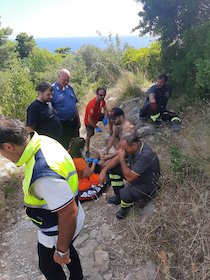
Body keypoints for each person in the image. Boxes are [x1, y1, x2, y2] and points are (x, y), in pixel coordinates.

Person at [0, 117, 84, 280]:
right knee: (66, 252)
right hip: (67, 212)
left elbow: (68, 213)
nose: (4, 157)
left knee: (48, 265)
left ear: (9, 147)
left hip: (57, 226)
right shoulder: (43, 141)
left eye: (1, 153)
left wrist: (61, 251)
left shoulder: (43, 173)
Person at [99, 131, 160, 220]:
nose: (123, 151)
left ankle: (125, 208)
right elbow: (117, 157)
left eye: (125, 149)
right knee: (112, 168)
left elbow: (129, 178)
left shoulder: (145, 155)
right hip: (138, 177)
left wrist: (122, 160)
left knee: (125, 192)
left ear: (134, 144)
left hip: (148, 185)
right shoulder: (133, 147)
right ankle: (118, 197)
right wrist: (104, 170)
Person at [52, 69, 81, 149]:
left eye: (68, 80)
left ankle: (76, 159)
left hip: (73, 122)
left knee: (76, 143)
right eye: (64, 80)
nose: (66, 82)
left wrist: (78, 120)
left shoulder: (70, 88)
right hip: (62, 124)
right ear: (58, 77)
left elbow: (75, 105)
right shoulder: (52, 90)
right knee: (64, 145)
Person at [84, 87, 108, 157]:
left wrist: (105, 117)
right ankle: (87, 150)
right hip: (89, 122)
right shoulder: (92, 105)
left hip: (97, 116)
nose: (103, 97)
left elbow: (105, 109)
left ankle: (112, 131)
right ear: (97, 95)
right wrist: (96, 127)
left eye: (104, 95)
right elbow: (89, 119)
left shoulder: (102, 101)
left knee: (110, 115)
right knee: (89, 135)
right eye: (101, 95)